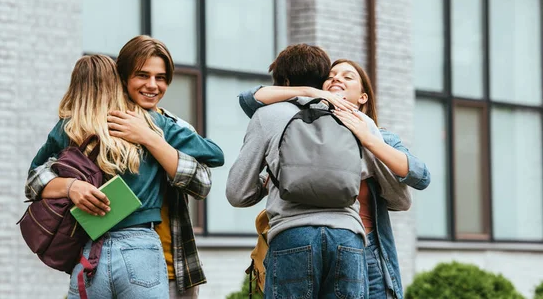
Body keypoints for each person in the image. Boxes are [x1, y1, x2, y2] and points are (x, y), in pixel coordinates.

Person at [27, 40, 224, 299]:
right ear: (121, 78)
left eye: (161, 78)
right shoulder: (85, 125)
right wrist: (72, 187)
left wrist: (151, 139)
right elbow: (34, 179)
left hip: (171, 264)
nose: (152, 85)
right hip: (129, 253)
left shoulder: (162, 125)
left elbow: (203, 181)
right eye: (142, 75)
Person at [226, 44, 410, 299]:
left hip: (293, 236)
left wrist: (271, 177)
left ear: (285, 83)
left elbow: (237, 193)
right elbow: (401, 199)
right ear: (324, 79)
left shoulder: (267, 116)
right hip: (347, 240)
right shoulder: (356, 119)